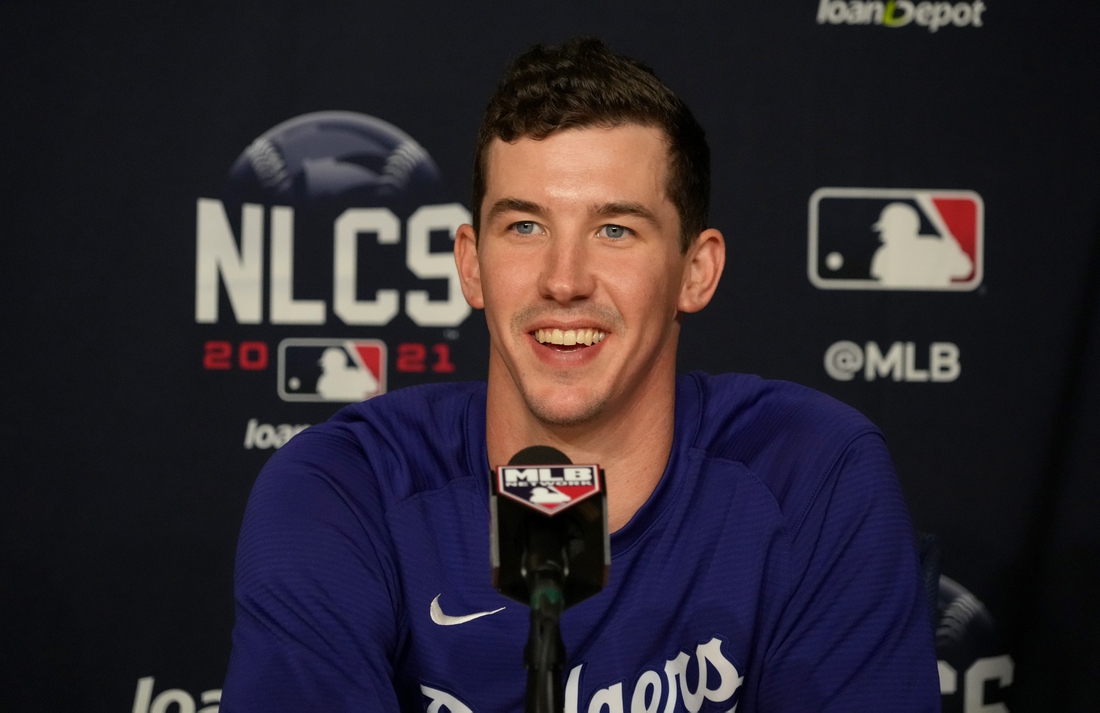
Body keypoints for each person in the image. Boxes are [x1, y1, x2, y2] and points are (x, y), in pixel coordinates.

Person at [221, 37, 939, 712]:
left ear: (697, 270)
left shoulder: (812, 476)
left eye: (615, 229)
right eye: (525, 226)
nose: (564, 281)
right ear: (471, 264)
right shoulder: (345, 489)